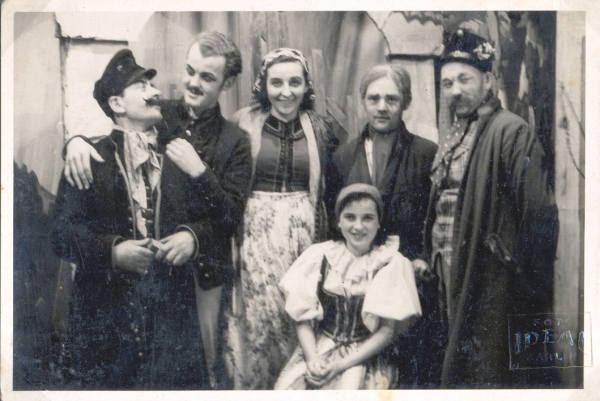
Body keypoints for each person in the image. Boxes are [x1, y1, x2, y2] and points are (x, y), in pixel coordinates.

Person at [60, 32, 252, 389]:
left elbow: (231, 215)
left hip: (195, 279)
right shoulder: (160, 114)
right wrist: (75, 142)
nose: (192, 83)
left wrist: (200, 182)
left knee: (198, 373)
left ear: (227, 84)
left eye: (207, 77)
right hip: (130, 290)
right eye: (189, 71)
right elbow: (113, 119)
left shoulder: (235, 141)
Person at [422, 29, 559, 387]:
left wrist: (521, 274)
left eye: (464, 79)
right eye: (447, 83)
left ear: (488, 79)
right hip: (447, 267)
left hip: (488, 274)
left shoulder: (511, 131)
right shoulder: (455, 133)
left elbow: (539, 212)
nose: (455, 90)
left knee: (488, 370)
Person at [226, 48, 346, 389]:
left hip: (305, 235)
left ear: (306, 86)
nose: (286, 92)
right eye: (276, 83)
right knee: (260, 317)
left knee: (300, 311)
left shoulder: (322, 128)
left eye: (295, 82)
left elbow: (334, 186)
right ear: (263, 86)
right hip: (255, 236)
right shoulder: (242, 123)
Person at [328, 64, 442, 386]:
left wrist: (421, 257)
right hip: (358, 280)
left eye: (391, 99)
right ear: (363, 100)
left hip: (408, 277)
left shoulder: (426, 153)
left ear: (405, 102)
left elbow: (433, 217)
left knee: (407, 369)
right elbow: (334, 224)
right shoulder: (342, 157)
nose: (382, 107)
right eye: (374, 98)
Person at [274, 184, 422, 390]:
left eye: (367, 218)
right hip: (320, 348)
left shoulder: (390, 262)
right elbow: (302, 318)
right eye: (350, 217)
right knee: (288, 388)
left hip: (366, 354)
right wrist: (312, 359)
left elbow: (387, 331)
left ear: (379, 222)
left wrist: (340, 365)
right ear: (338, 221)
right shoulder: (320, 256)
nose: (358, 227)